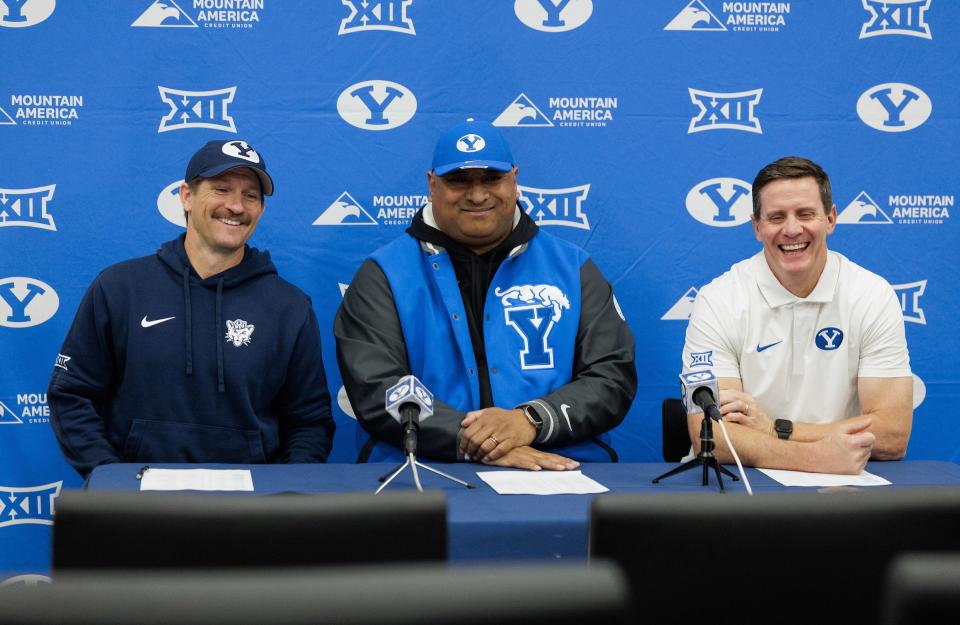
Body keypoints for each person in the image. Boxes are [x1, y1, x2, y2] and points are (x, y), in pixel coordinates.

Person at [335, 118, 637, 470]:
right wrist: (476, 442)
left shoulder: (572, 268)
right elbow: (378, 388)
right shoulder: (384, 273)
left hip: (560, 461)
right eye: (459, 180)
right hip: (423, 467)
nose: (477, 195)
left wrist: (530, 421)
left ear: (514, 179)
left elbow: (611, 376)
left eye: (492, 178)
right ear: (432, 185)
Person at [49, 139, 335, 477]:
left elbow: (309, 423)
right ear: (187, 195)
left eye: (250, 195)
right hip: (136, 510)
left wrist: (279, 496)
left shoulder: (289, 307)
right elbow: (72, 395)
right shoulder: (119, 287)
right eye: (221, 189)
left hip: (249, 515)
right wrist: (114, 480)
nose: (236, 206)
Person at [681, 156, 912, 474]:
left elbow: (893, 434)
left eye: (805, 214)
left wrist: (774, 429)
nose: (792, 229)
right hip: (744, 482)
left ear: (831, 219)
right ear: (757, 227)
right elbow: (710, 435)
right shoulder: (717, 300)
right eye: (776, 217)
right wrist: (818, 458)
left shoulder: (872, 295)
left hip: (847, 486)